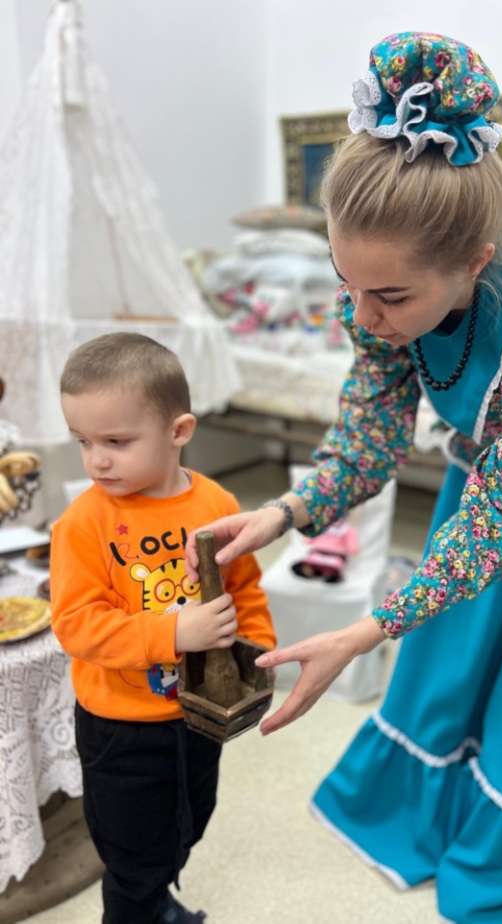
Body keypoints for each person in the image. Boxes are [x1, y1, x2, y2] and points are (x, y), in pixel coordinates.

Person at [185, 32, 502, 923]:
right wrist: (289, 511)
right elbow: (373, 425)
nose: (364, 316)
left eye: (390, 300)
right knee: (459, 642)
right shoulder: (379, 282)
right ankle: (429, 802)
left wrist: (368, 629)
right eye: (348, 284)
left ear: (474, 264)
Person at [51, 333, 276, 924]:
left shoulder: (216, 504)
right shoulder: (82, 525)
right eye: (83, 442)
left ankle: (157, 900)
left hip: (199, 715)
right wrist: (172, 634)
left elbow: (245, 588)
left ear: (179, 431)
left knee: (188, 820)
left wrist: (257, 651)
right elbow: (76, 625)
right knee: (131, 854)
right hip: (121, 727)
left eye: (116, 441)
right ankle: (141, 906)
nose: (97, 460)